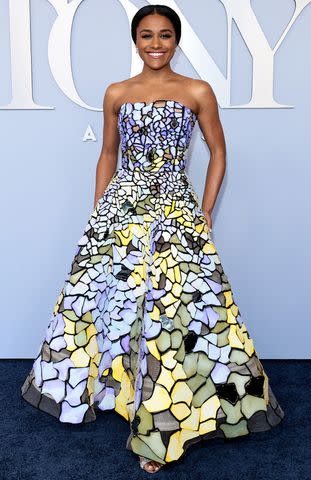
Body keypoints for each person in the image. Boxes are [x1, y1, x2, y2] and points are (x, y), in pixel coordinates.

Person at [21, 4, 285, 474]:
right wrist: (98, 208)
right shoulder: (117, 92)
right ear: (135, 41)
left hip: (175, 210)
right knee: (110, 304)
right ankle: (118, 393)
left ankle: (168, 423)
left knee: (178, 310)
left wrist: (204, 211)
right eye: (146, 36)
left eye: (165, 35)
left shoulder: (196, 91)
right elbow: (107, 153)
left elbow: (219, 151)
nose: (156, 44)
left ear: (176, 41)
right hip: (121, 211)